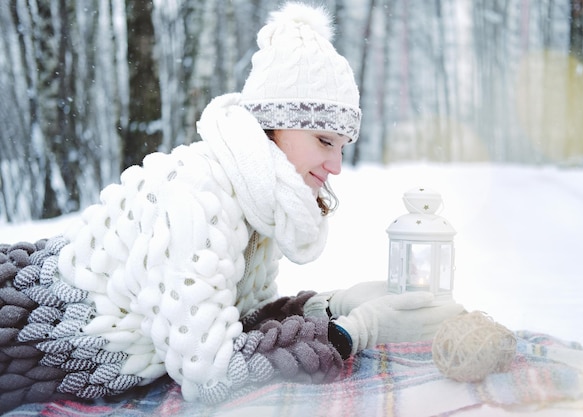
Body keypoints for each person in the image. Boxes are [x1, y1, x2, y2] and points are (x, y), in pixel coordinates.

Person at [0, 2, 464, 413]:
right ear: (272, 128)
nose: (336, 165)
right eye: (324, 141)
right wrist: (350, 332)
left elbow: (240, 321)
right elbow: (214, 375)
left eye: (342, 146)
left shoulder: (255, 201)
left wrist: (331, 306)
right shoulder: (195, 197)